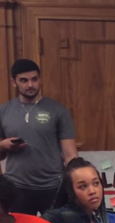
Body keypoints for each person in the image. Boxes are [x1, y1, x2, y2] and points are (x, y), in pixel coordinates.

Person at [0, 59, 78, 215]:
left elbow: (70, 155)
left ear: (40, 79)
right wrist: (3, 146)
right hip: (16, 187)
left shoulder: (58, 111)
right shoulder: (3, 111)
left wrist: (74, 185)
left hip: (53, 187)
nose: (30, 85)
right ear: (14, 82)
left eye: (34, 79)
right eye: (24, 80)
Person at [42, 157, 114, 223]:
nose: (92, 191)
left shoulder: (97, 218)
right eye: (83, 186)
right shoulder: (63, 216)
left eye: (96, 183)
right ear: (71, 191)